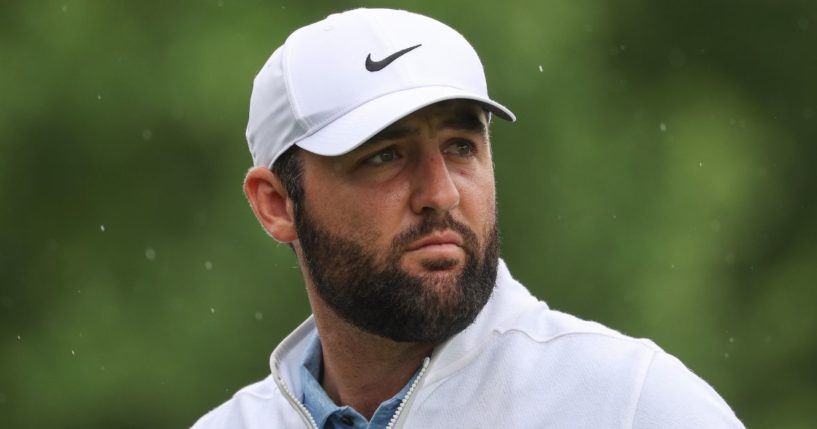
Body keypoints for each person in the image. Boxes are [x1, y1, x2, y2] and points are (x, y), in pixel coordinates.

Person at [193, 8, 744, 429]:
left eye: (460, 146)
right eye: (384, 156)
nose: (442, 193)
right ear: (276, 204)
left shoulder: (632, 405)